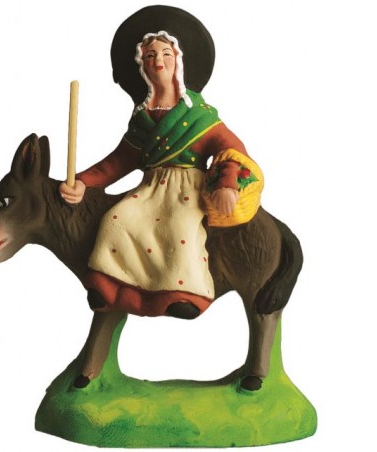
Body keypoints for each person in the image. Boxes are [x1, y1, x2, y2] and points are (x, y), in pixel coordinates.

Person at [59, 31, 253, 319]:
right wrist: (82, 182)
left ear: (178, 61)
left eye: (165, 54)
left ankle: (183, 294)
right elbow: (117, 162)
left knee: (179, 229)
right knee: (117, 219)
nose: (158, 61)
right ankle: (110, 287)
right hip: (151, 188)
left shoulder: (199, 115)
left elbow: (232, 149)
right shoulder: (143, 118)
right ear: (143, 66)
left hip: (188, 189)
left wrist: (227, 184)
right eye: (150, 56)